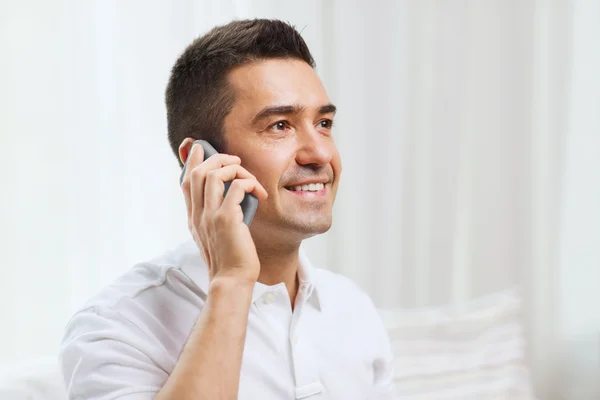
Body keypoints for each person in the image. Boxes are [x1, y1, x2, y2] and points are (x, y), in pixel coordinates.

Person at [60, 19, 397, 400]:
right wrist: (233, 281)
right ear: (200, 161)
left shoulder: (352, 308)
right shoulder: (116, 328)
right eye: (280, 125)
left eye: (323, 123)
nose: (320, 153)